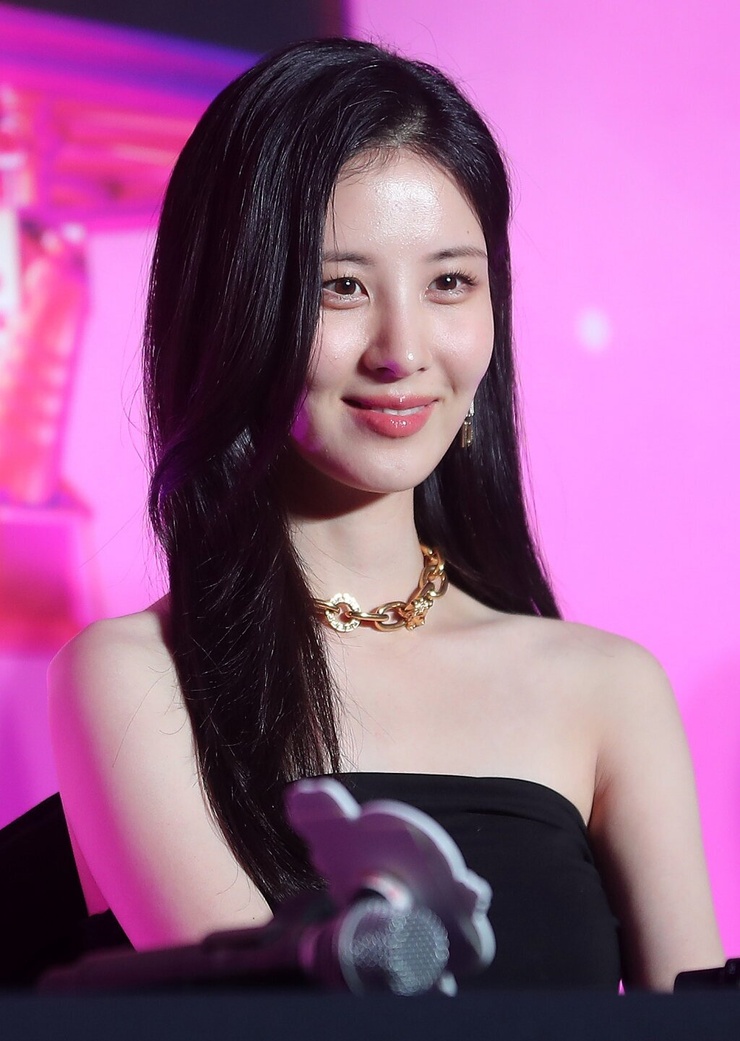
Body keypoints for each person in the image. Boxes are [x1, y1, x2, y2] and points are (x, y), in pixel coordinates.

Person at [48, 37, 724, 991]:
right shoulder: (137, 677)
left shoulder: (609, 688)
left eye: (450, 282)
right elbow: (256, 1023)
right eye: (342, 287)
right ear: (235, 305)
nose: (402, 349)